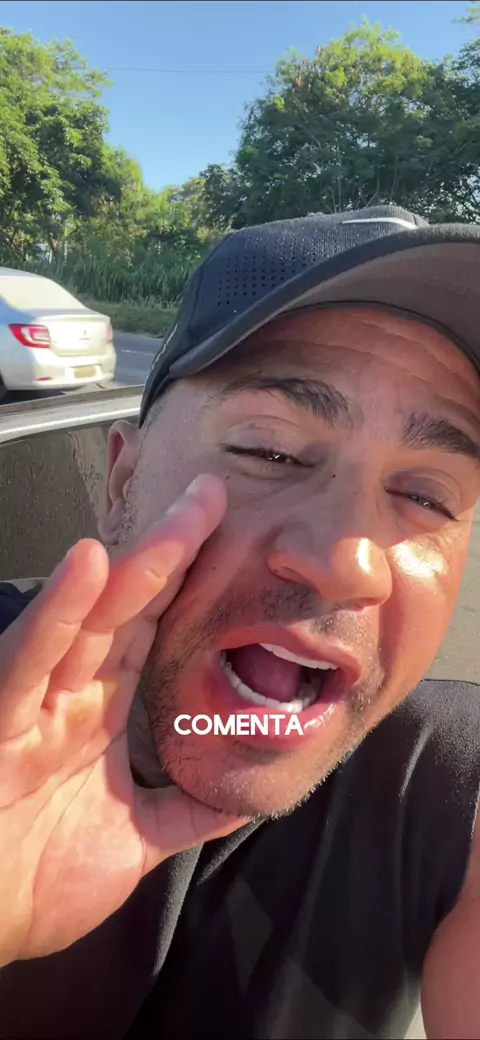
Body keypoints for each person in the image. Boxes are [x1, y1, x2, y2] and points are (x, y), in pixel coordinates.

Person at [0, 205, 480, 1040]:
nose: (350, 562)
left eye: (426, 495)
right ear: (123, 485)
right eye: (272, 451)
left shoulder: (442, 785)